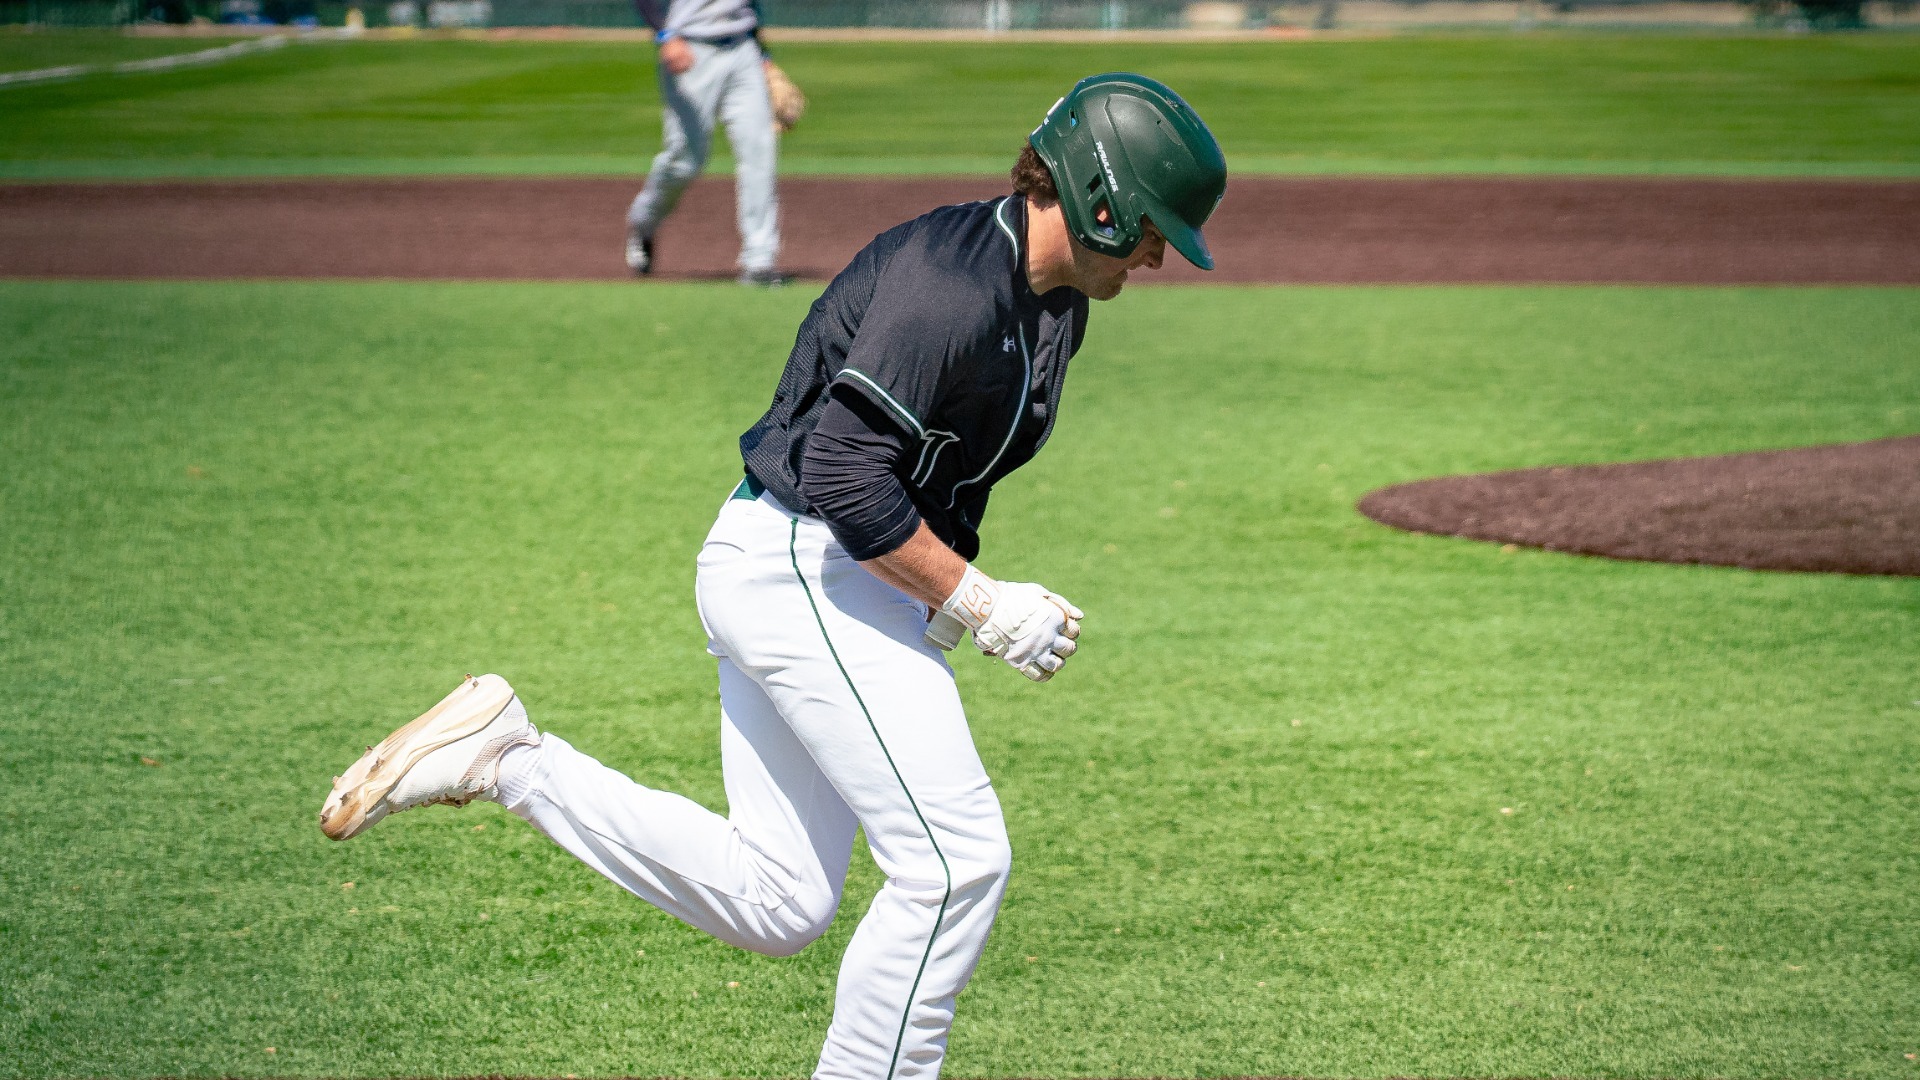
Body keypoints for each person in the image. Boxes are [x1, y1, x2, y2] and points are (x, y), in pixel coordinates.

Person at [320, 73, 1227, 1080]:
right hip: (804, 564)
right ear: (1102, 200)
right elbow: (842, 471)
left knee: (779, 899)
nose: (1158, 254)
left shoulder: (1052, 299)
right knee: (956, 864)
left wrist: (950, 594)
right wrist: (978, 601)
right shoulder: (952, 285)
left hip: (819, 570)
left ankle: (510, 761)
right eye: (1153, 228)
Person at [625, 0, 784, 285]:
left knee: (759, 151)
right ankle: (644, 220)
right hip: (691, 47)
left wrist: (762, 52)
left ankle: (759, 260)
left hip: (743, 48)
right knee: (685, 159)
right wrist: (665, 35)